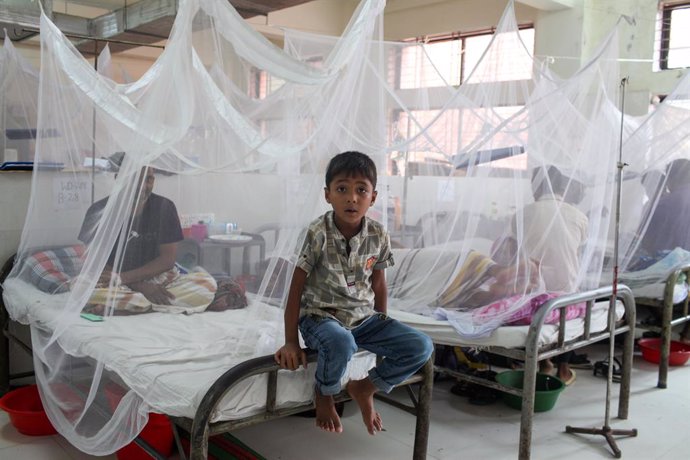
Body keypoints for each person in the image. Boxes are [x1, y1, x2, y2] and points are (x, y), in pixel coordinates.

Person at [274, 151, 433, 435]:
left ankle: (364, 387)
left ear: (373, 197)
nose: (352, 198)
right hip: (321, 317)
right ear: (328, 195)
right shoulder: (316, 233)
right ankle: (324, 393)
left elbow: (379, 285)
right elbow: (295, 288)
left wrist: (382, 322)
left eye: (361, 190)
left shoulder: (378, 235)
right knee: (341, 342)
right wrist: (290, 342)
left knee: (421, 346)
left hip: (364, 319)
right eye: (342, 189)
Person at [78, 155, 225, 314]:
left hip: (159, 279)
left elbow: (168, 260)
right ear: (118, 179)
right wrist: (137, 285)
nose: (143, 187)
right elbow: (94, 261)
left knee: (206, 285)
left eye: (148, 179)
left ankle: (130, 307)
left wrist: (132, 280)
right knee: (80, 289)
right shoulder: (99, 212)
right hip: (111, 280)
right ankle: (145, 305)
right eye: (135, 180)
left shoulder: (165, 207)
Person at [496, 166, 588, 384]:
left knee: (526, 297)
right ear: (562, 186)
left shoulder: (522, 214)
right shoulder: (578, 215)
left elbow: (515, 250)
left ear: (533, 187)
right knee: (568, 304)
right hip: (564, 288)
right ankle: (563, 368)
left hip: (533, 286)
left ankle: (543, 363)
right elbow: (577, 251)